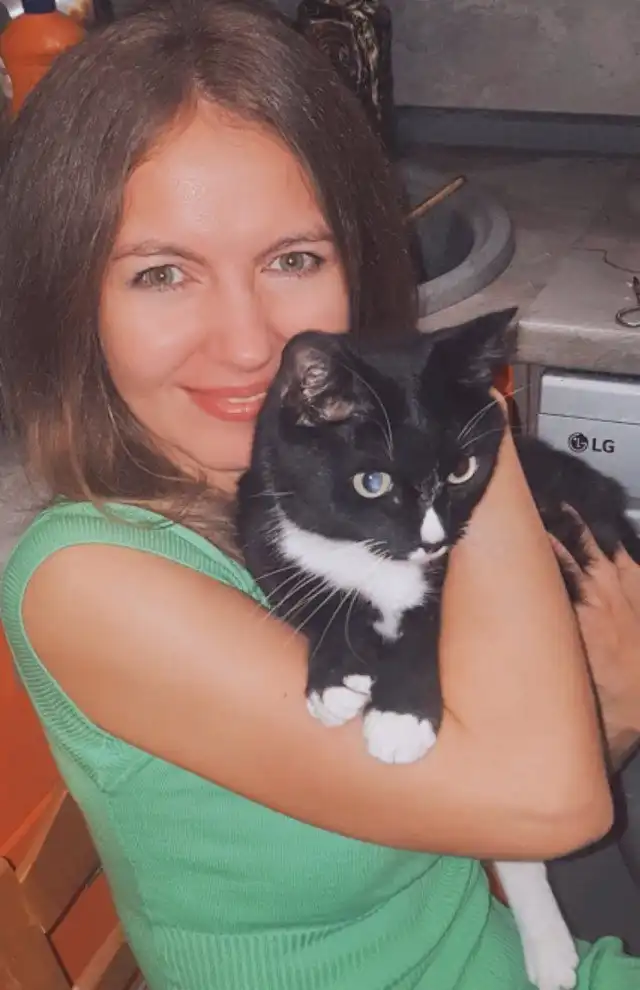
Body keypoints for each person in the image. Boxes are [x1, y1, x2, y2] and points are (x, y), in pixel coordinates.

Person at [0, 2, 638, 987]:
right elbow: (549, 801)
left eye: (293, 259)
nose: (250, 343)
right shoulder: (90, 583)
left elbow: (476, 784)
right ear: (70, 301)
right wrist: (463, 413)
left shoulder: (314, 501)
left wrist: (607, 717)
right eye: (162, 274)